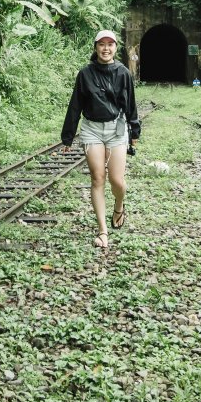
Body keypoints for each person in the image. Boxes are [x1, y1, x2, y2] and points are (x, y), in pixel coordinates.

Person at [61, 29, 141, 250]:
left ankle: (119, 204)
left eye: (110, 44)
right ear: (96, 47)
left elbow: (131, 104)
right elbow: (75, 105)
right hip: (91, 129)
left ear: (116, 48)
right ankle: (103, 231)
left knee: (117, 181)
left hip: (116, 129)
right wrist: (67, 137)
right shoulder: (85, 74)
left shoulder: (123, 73)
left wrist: (135, 132)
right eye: (101, 44)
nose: (106, 48)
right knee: (98, 179)